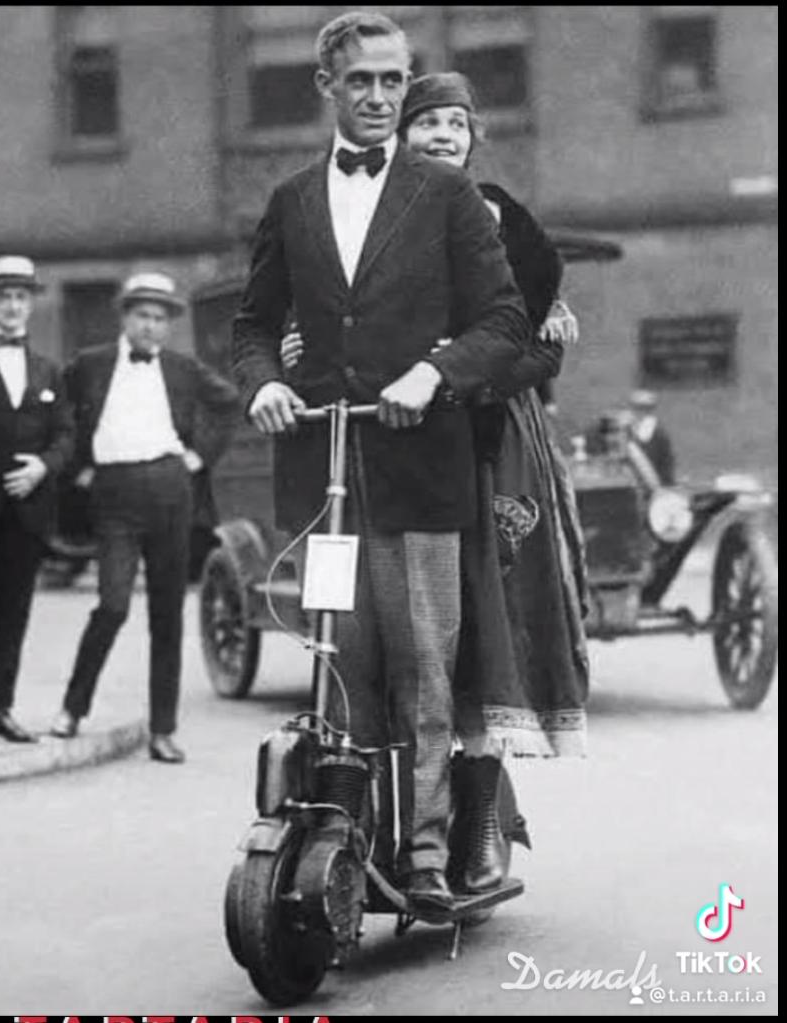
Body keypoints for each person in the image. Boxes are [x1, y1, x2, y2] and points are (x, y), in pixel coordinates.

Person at [232, 11, 558, 911]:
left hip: (423, 473)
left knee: (425, 669)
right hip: (325, 482)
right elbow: (254, 323)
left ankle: (424, 855)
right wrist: (264, 382)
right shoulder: (292, 199)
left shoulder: (447, 195)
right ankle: (343, 836)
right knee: (340, 663)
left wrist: (433, 373)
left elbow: (505, 319)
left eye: (391, 80)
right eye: (360, 81)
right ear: (326, 87)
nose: (378, 97)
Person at [396, 72, 590, 891]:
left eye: (456, 123)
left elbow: (545, 343)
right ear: (400, 136)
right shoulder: (373, 218)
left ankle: (476, 825)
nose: (443, 135)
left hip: (492, 442)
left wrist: (466, 377)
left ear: (473, 138)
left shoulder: (505, 218)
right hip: (394, 436)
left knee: (485, 622)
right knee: (400, 629)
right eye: (427, 123)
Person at [49, 272, 242, 763]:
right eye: (142, 315)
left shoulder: (182, 368)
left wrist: (200, 456)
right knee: (113, 604)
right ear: (125, 317)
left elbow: (229, 403)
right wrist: (77, 468)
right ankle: (72, 708)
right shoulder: (90, 365)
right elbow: (59, 414)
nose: (151, 326)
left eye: (160, 318)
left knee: (166, 614)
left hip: (171, 491)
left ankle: (162, 730)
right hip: (113, 495)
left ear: (168, 324)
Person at [0, 255, 75, 747]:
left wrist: (42, 467)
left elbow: (66, 434)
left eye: (21, 297)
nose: (13, 306)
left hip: (28, 511)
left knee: (15, 611)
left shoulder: (46, 369)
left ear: (31, 304)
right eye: (3, 297)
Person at [627, 389, 675, 485]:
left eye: (644, 408)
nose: (640, 411)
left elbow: (666, 462)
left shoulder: (658, 433)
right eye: (637, 408)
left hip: (652, 482)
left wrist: (666, 483)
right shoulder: (626, 429)